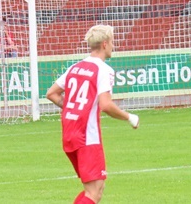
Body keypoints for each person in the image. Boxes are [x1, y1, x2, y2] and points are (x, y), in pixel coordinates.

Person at [46, 25, 139, 204]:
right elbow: (105, 104)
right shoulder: (103, 70)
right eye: (112, 42)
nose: (113, 45)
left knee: (95, 188)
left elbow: (52, 93)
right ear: (105, 44)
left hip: (69, 132)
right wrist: (129, 117)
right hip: (87, 136)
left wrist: (71, 109)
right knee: (94, 191)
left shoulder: (75, 67)